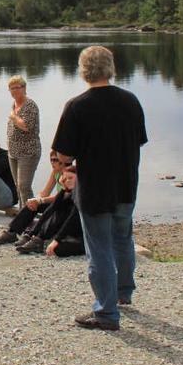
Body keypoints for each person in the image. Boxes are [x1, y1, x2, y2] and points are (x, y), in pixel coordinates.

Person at [53, 45, 147, 331]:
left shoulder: (77, 105)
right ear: (111, 67)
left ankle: (106, 313)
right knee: (122, 239)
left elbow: (64, 154)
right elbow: (140, 140)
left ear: (83, 71)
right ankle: (123, 293)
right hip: (126, 184)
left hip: (95, 188)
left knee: (99, 248)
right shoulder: (131, 100)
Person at [0, 152, 64, 245]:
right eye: (51, 160)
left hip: (66, 207)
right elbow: (45, 192)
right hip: (57, 203)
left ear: (63, 160)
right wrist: (34, 200)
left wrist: (39, 200)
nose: (52, 163)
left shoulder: (69, 173)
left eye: (56, 160)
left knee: (45, 204)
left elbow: (62, 196)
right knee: (31, 204)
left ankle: (30, 236)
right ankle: (12, 232)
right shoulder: (55, 172)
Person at [6, 75, 41, 209]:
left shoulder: (30, 105)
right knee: (18, 186)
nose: (14, 91)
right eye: (11, 89)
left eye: (17, 88)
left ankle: (29, 218)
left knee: (24, 186)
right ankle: (22, 215)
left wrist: (14, 117)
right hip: (13, 152)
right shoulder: (14, 105)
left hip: (28, 152)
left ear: (24, 88)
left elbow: (26, 126)